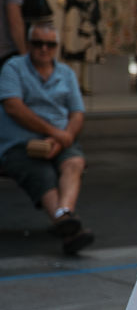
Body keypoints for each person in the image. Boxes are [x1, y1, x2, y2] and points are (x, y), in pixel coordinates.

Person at [0, 23, 93, 254]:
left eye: (50, 44)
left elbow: (77, 113)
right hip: (21, 142)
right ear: (29, 45)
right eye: (38, 43)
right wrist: (56, 133)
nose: (44, 49)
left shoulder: (66, 73)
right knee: (41, 173)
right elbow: (13, 107)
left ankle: (64, 215)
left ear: (57, 47)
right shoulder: (14, 67)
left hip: (61, 141)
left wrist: (65, 138)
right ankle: (70, 227)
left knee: (74, 163)